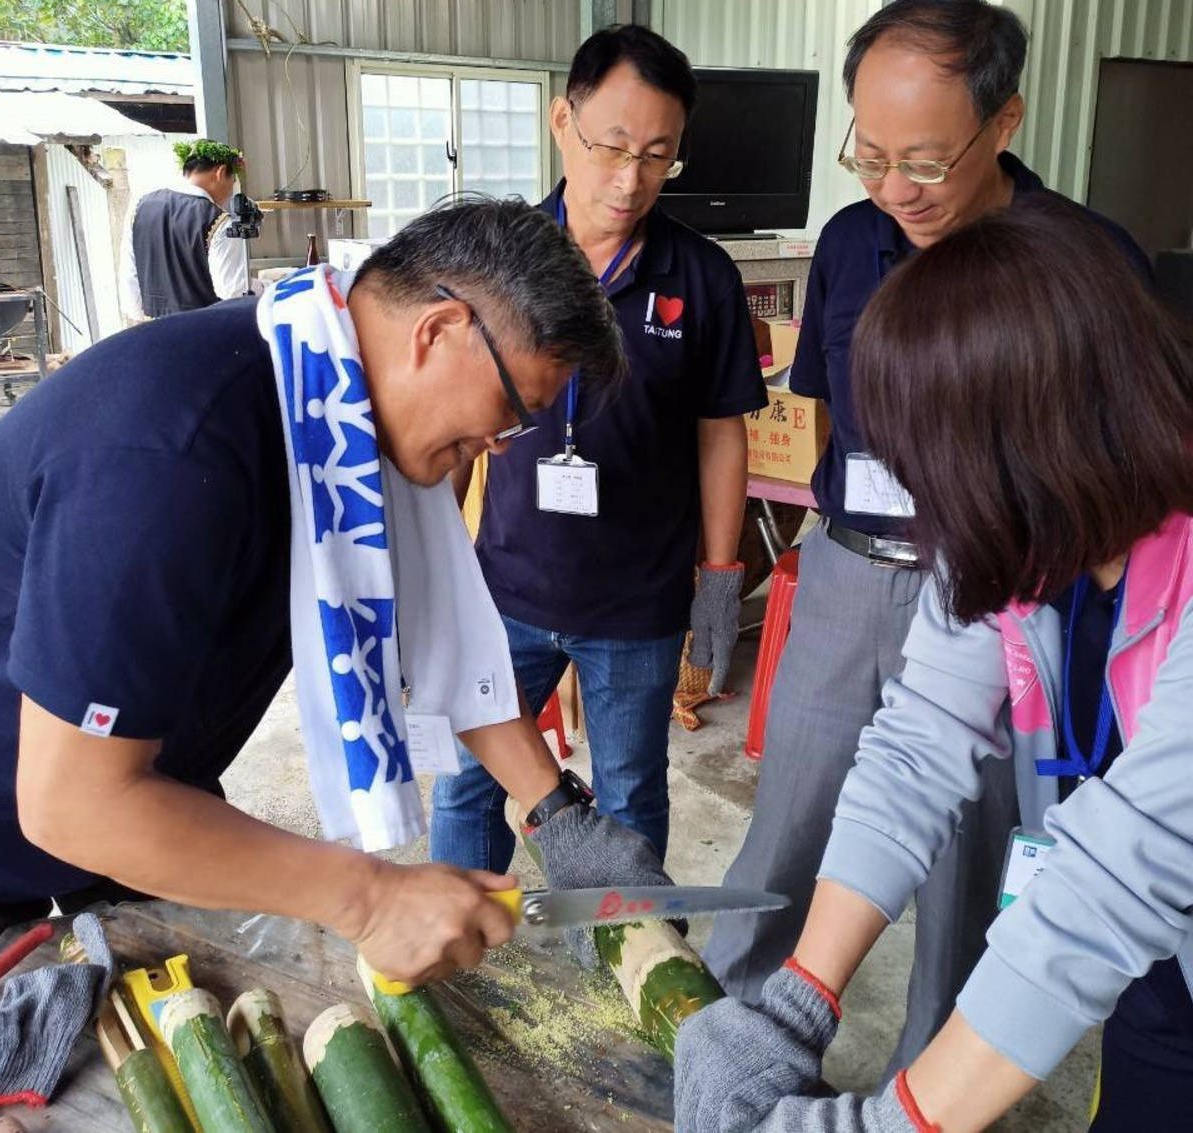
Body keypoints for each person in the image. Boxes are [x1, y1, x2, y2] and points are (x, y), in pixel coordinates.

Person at [0, 198, 670, 987]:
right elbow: (71, 802)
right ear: (439, 330)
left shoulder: (339, 402)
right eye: (516, 411)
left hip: (136, 816)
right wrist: (369, 899)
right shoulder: (170, 453)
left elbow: (445, 635)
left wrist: (560, 820)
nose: (500, 444)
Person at [676, 197, 1193, 1132]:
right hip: (1155, 981)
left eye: (942, 466)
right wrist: (802, 995)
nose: (929, 504)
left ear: (1044, 438)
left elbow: (1128, 870)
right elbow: (920, 739)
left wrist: (890, 1122)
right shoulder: (1023, 527)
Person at [703, 0, 1151, 1073]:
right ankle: (744, 1021)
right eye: (869, 154)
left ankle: (940, 1061)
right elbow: (816, 403)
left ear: (1004, 124)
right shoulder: (854, 241)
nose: (893, 187)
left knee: (974, 852)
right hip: (860, 567)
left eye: (926, 162)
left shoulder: (1083, 268)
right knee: (808, 806)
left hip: (1004, 582)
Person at [430, 25, 767, 876]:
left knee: (629, 791)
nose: (630, 178)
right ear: (561, 122)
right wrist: (432, 556)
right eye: (612, 145)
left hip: (637, 607)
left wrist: (721, 579)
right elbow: (453, 416)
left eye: (659, 155)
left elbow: (720, 429)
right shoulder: (496, 260)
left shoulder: (702, 277)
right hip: (502, 588)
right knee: (470, 784)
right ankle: (465, 958)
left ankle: (623, 970)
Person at [118, 138, 249, 322]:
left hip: (154, 330)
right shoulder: (219, 221)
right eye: (233, 180)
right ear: (220, 172)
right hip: (201, 332)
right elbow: (233, 291)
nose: (231, 190)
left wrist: (142, 319)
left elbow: (129, 277)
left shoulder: (141, 205)